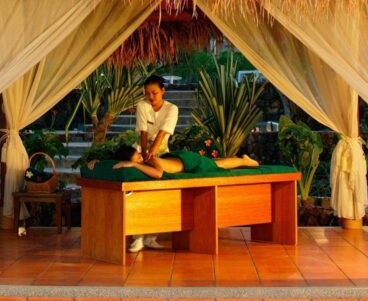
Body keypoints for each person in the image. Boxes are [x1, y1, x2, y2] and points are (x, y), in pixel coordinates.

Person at [129, 74, 179, 252]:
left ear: (163, 91)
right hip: (141, 151)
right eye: (147, 93)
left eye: (154, 93)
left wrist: (151, 155)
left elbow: (162, 134)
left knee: (158, 192)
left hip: (161, 152)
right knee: (138, 189)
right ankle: (137, 237)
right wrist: (144, 154)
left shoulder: (172, 109)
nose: (150, 97)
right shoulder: (142, 106)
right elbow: (143, 132)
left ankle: (151, 237)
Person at [111, 145, 260, 179]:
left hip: (189, 162)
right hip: (180, 159)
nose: (141, 158)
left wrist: (134, 164)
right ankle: (242, 159)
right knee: (213, 161)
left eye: (139, 155)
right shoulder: (144, 164)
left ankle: (245, 161)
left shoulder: (150, 161)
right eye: (137, 158)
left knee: (218, 165)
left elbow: (158, 174)